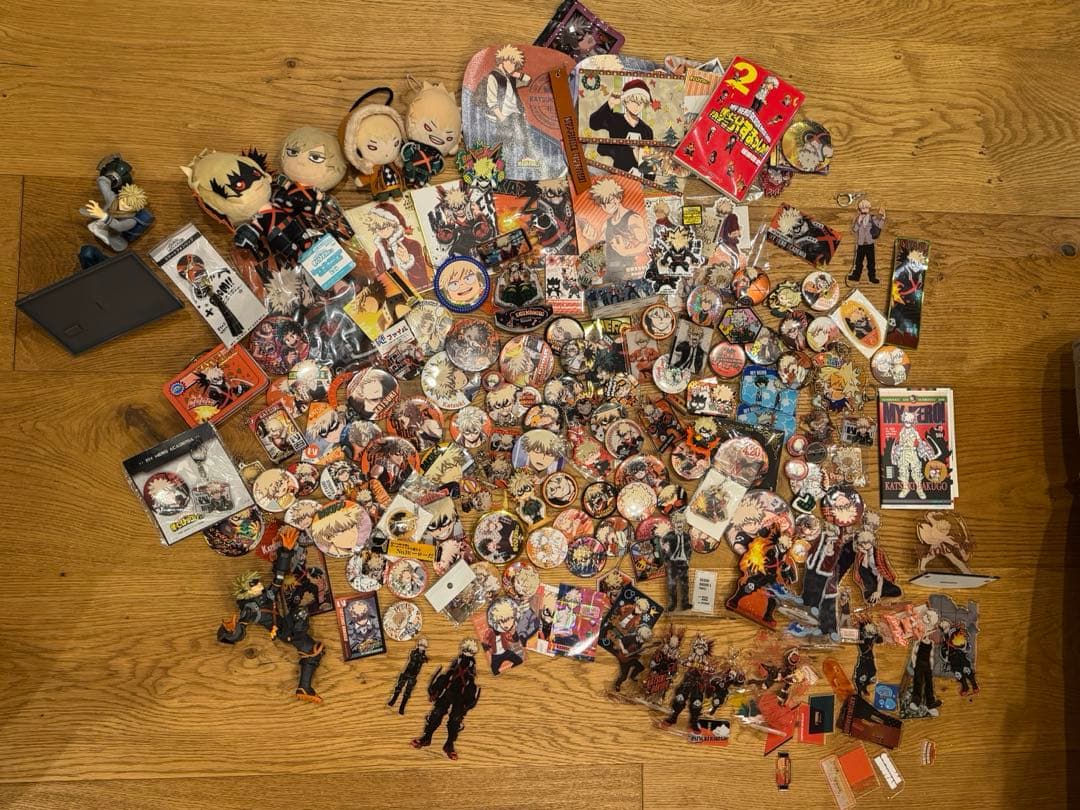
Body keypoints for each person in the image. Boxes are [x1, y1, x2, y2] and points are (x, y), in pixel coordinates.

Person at [411, 638, 482, 760]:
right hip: (449, 690)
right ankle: (427, 737)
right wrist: (435, 689)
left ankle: (449, 744)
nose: (467, 653)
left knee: (455, 719)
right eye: (466, 650)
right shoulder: (457, 662)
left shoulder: (471, 667)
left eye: (469, 651)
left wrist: (469, 701)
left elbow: (470, 682)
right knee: (436, 713)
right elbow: (447, 675)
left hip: (461, 694)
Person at [587, 79, 654, 175]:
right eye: (633, 101)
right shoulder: (615, 119)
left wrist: (641, 173)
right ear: (625, 101)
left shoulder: (647, 130)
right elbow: (593, 124)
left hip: (636, 176)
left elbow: (648, 164)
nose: (637, 106)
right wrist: (610, 103)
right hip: (613, 172)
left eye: (641, 102)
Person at [848, 199, 886, 283]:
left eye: (866, 208)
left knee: (871, 261)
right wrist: (859, 222)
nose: (864, 210)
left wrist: (883, 218)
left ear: (869, 208)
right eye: (862, 208)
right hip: (861, 243)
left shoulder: (872, 218)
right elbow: (854, 229)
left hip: (870, 243)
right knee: (858, 261)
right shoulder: (858, 218)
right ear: (860, 209)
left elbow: (879, 225)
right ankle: (856, 276)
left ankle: (872, 277)